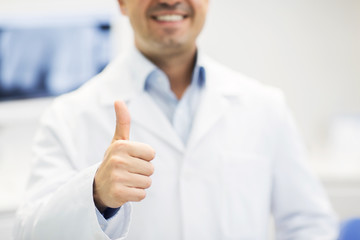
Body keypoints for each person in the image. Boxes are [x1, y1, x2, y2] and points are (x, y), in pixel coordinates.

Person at [14, 0, 338, 239]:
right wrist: (96, 196)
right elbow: (28, 234)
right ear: (122, 4)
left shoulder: (265, 106)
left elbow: (309, 223)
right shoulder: (69, 116)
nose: (170, 1)